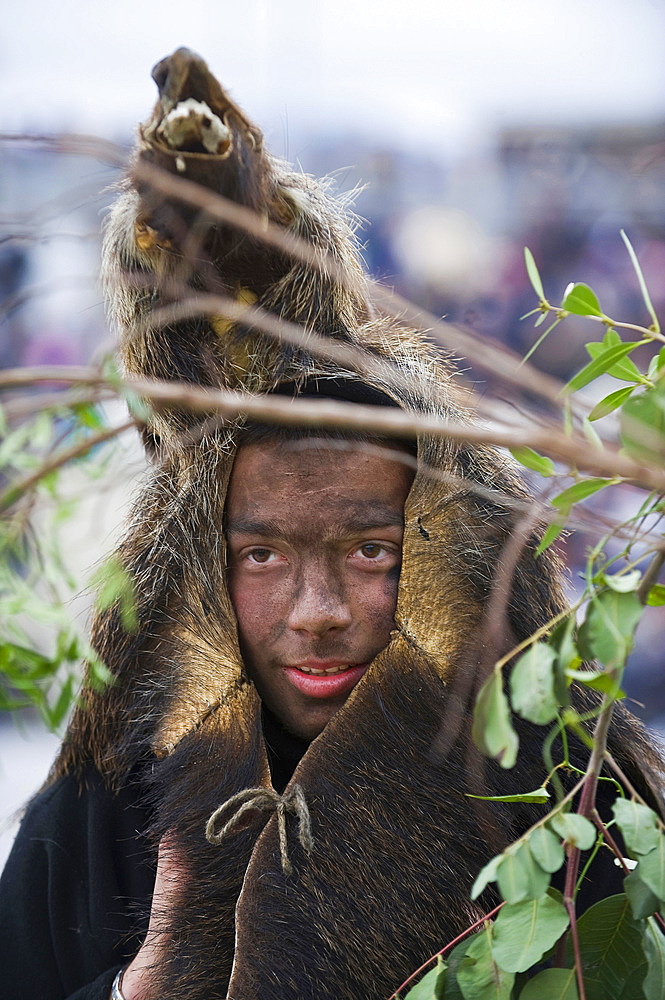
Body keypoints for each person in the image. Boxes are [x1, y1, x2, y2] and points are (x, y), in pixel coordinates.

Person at [0, 49, 663, 1000]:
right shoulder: (117, 791)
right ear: (206, 564)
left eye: (370, 552)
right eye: (261, 554)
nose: (317, 611)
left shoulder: (556, 798)